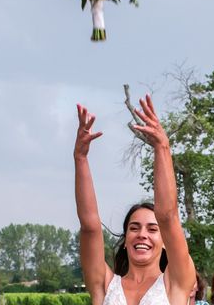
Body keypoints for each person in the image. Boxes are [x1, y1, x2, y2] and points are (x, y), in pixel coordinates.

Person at [74, 96, 195, 305]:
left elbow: (167, 216)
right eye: (134, 228)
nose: (142, 235)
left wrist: (162, 147)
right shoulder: (105, 285)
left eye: (152, 229)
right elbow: (89, 226)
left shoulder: (175, 283)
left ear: (166, 242)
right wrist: (80, 158)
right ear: (125, 240)